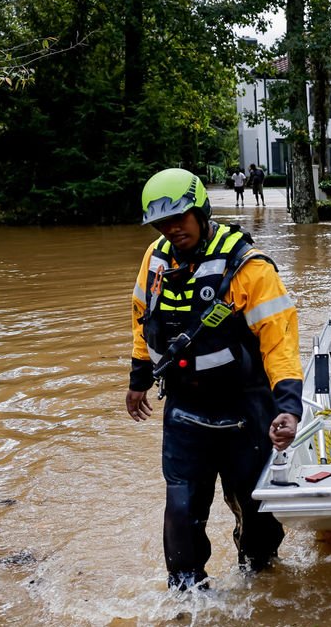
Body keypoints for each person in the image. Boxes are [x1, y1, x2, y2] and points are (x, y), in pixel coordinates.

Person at [125, 168, 302, 591]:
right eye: (162, 223)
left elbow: (279, 341)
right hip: (185, 405)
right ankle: (187, 594)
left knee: (254, 508)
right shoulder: (155, 258)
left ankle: (262, 582)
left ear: (202, 211)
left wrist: (288, 408)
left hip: (245, 406)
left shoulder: (250, 268)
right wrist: (139, 377)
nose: (172, 229)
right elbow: (142, 317)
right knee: (181, 506)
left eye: (180, 218)